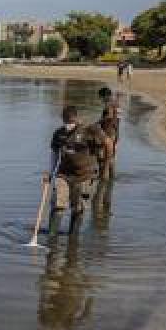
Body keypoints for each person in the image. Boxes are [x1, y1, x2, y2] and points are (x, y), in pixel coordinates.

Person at [48, 105, 101, 234]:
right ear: (62, 119)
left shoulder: (88, 131)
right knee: (58, 206)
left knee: (78, 209)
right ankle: (51, 238)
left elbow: (105, 144)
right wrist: (51, 173)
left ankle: (73, 238)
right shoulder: (58, 133)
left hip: (84, 176)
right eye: (66, 121)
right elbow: (54, 153)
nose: (68, 124)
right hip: (64, 174)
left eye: (71, 121)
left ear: (76, 118)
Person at [96, 87, 120, 180]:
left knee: (101, 155)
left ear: (105, 96)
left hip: (108, 133)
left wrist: (98, 122)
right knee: (111, 158)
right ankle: (112, 179)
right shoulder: (116, 104)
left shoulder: (109, 104)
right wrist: (117, 135)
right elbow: (117, 121)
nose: (101, 99)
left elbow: (109, 116)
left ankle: (103, 177)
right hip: (114, 133)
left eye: (101, 97)